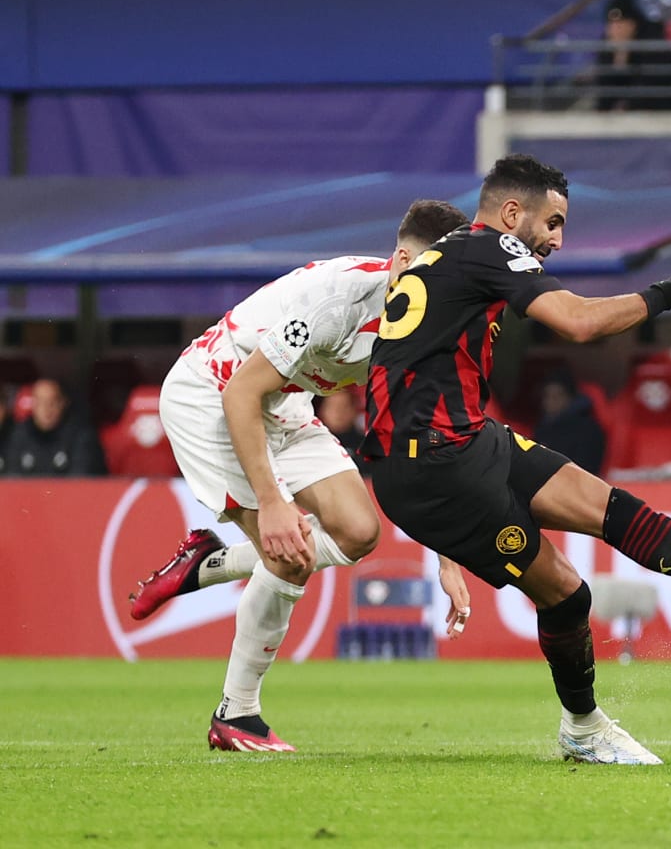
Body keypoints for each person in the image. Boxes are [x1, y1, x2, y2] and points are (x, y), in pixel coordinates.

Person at [361, 155, 671, 764]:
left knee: (616, 511)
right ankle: (583, 730)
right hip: (435, 465)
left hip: (461, 441)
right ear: (511, 213)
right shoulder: (488, 248)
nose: (557, 240)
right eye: (552, 223)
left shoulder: (449, 258)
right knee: (565, 595)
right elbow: (579, 323)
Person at [123, 201, 472, 753]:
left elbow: (423, 437)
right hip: (212, 394)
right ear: (403, 261)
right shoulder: (336, 300)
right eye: (439, 273)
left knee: (359, 531)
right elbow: (241, 392)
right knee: (289, 556)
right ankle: (237, 715)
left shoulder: (425, 325)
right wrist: (273, 502)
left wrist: (448, 557)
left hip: (282, 402)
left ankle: (206, 563)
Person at [0, 378, 105, 476]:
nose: (46, 409)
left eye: (52, 402)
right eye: (40, 402)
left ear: (63, 403)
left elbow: (81, 478)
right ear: (33, 405)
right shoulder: (18, 434)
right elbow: (12, 477)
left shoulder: (81, 435)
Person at [533, 375, 606, 476]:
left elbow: (585, 468)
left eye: (557, 396)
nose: (551, 401)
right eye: (547, 396)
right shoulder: (542, 428)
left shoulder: (586, 430)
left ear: (570, 398)